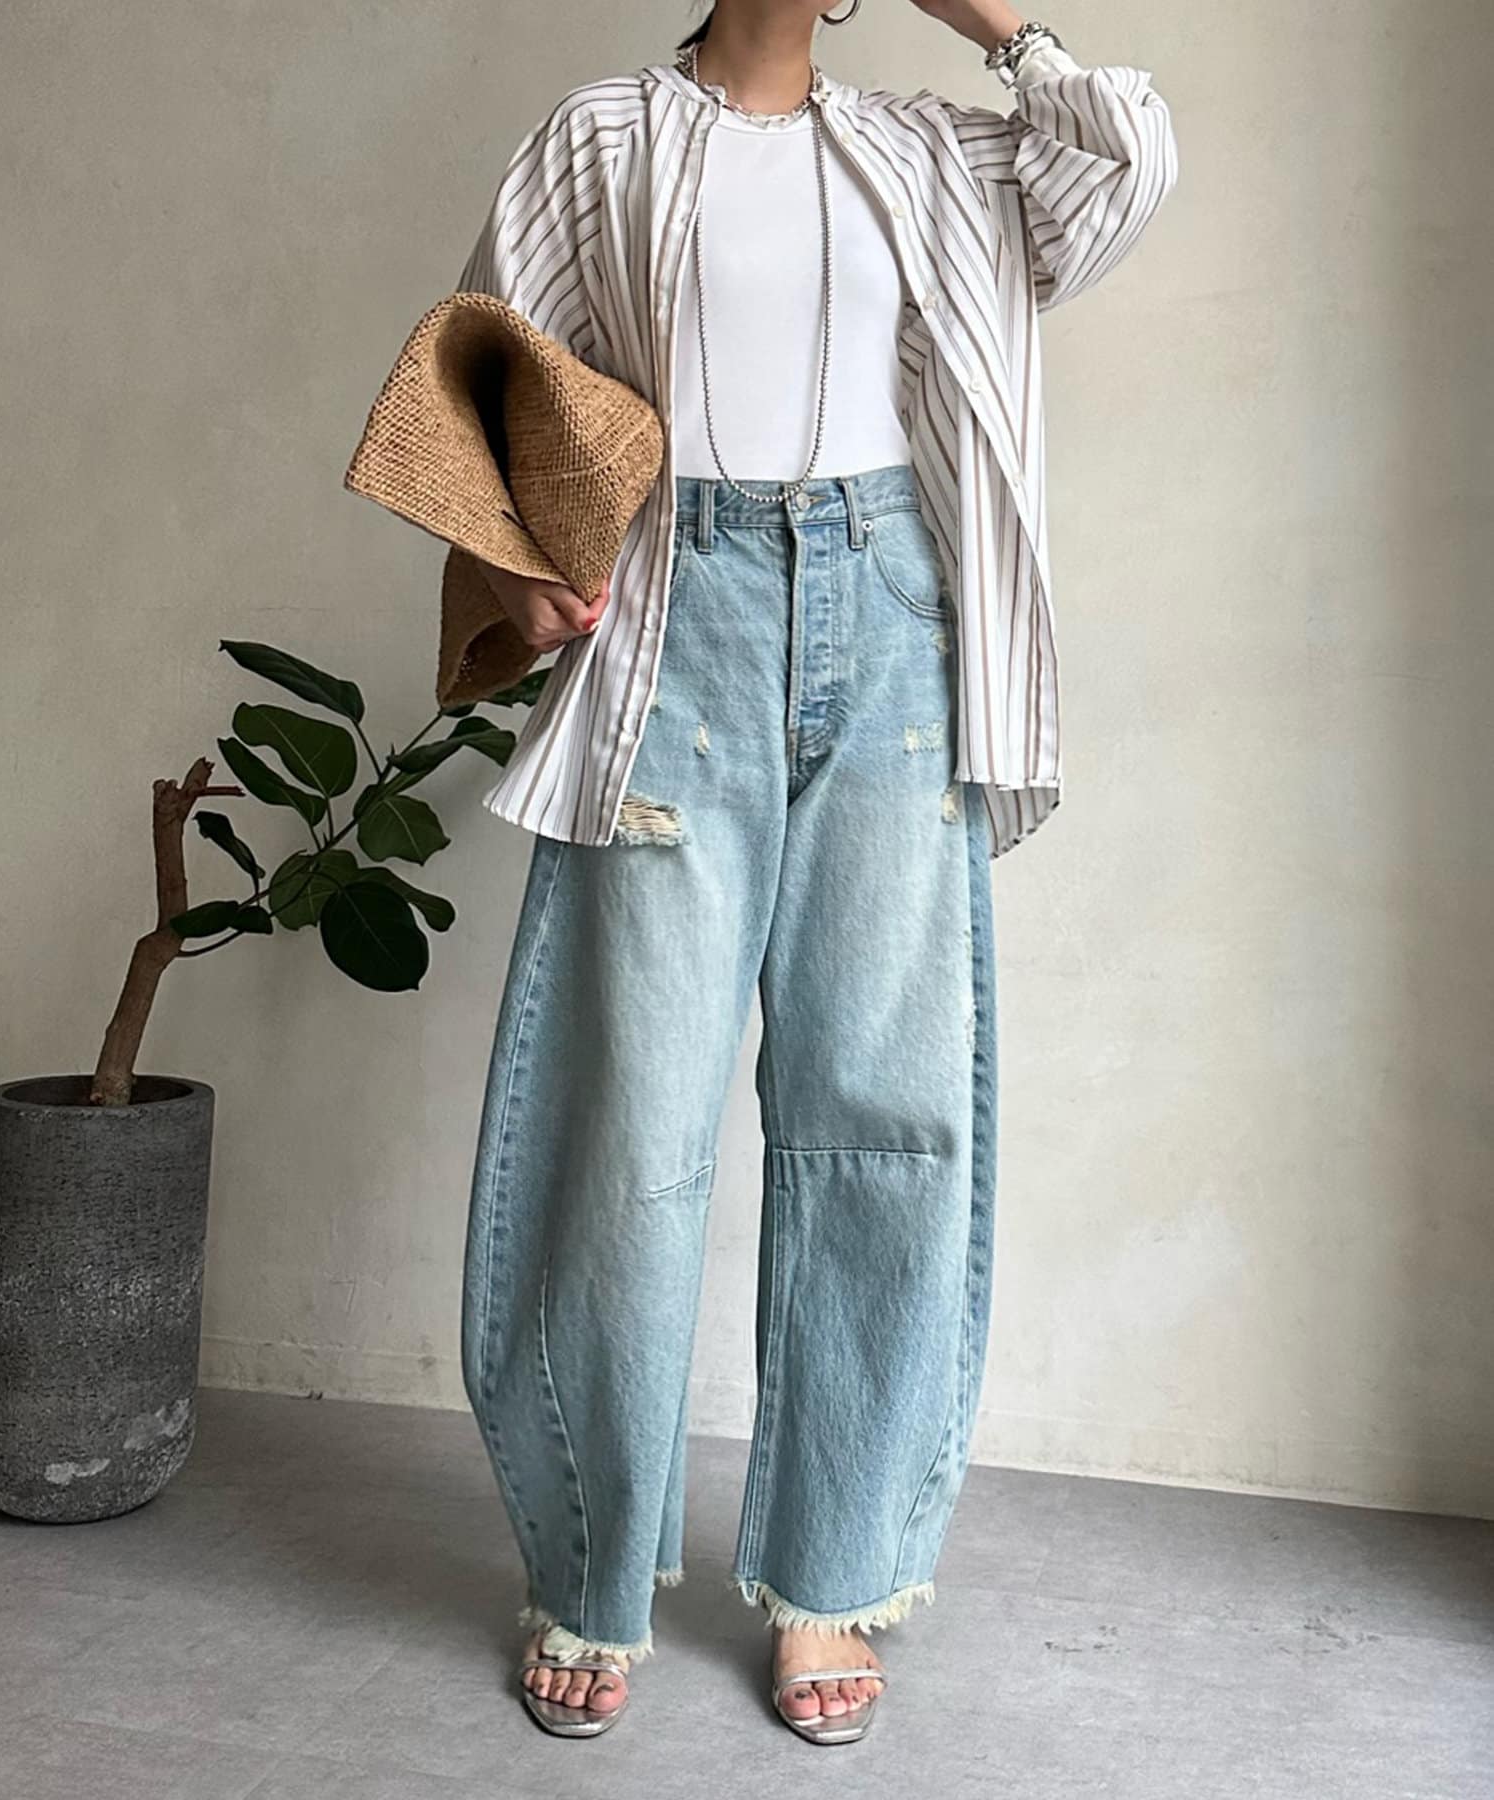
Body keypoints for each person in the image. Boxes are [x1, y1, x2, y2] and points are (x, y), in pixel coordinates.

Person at [454, 0, 1177, 1742]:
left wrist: (992, 23)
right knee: (631, 1127)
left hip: (895, 622)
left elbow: (1131, 159)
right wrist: (521, 566)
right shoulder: (603, 139)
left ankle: (835, 1575)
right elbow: (481, 388)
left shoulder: (931, 149)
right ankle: (591, 1572)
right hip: (677, 624)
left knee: (883, 1115)